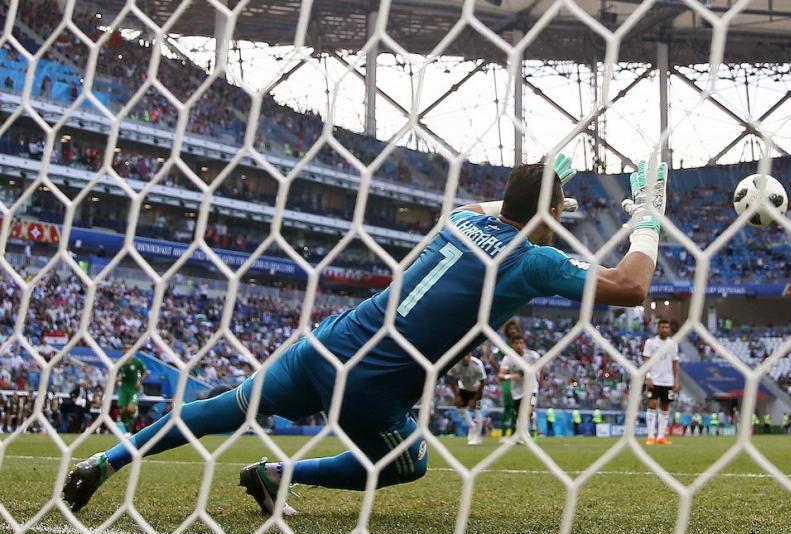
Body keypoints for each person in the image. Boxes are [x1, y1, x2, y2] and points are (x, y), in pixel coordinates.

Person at [63, 156, 668, 515]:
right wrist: (647, 214)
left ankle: (105, 460)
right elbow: (631, 286)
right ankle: (282, 474)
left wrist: (540, 180)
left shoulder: (459, 220)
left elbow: (495, 204)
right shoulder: (532, 261)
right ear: (550, 217)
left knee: (219, 410)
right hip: (372, 385)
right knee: (407, 465)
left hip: (322, 346)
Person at [642, 319, 680, 446]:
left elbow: (675, 363)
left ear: (669, 329)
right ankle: (650, 436)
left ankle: (661, 436)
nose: (664, 329)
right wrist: (648, 377)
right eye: (662, 327)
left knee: (665, 407)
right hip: (654, 379)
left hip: (668, 381)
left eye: (666, 327)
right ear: (658, 329)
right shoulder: (651, 343)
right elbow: (646, 360)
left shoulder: (673, 344)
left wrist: (676, 381)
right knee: (652, 404)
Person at [499, 335, 542, 445]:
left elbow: (541, 367)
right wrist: (512, 376)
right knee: (519, 414)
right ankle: (522, 434)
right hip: (517, 392)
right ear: (512, 345)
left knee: (529, 410)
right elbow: (501, 376)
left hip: (532, 389)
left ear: (524, 344)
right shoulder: (508, 358)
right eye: (516, 343)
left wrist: (539, 378)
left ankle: (525, 434)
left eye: (521, 343)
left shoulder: (532, 355)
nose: (519, 346)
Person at [446, 352, 487, 445]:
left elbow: (483, 382)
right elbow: (451, 379)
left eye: (467, 355)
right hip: (463, 389)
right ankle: (472, 427)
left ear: (470, 355)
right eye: (463, 356)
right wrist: (456, 396)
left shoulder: (477, 364)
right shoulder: (456, 364)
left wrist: (475, 399)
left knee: (477, 411)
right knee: (459, 407)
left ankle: (477, 436)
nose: (465, 358)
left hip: (477, 391)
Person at [115, 356, 147, 434]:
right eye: (125, 348)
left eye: (129, 348)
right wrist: (117, 379)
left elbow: (145, 372)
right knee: (122, 411)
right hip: (124, 390)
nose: (127, 350)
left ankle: (135, 412)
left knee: (130, 409)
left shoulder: (137, 362)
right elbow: (116, 373)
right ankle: (127, 429)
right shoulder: (120, 362)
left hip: (134, 390)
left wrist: (139, 381)